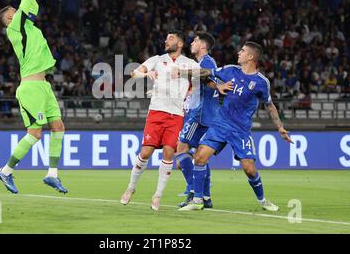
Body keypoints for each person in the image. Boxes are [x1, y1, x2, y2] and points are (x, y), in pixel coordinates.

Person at [178, 42, 292, 211]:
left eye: (243, 51)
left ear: (251, 57)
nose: (239, 52)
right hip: (220, 124)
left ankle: (263, 200)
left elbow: (269, 105)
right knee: (200, 157)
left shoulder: (261, 82)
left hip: (241, 130)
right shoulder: (231, 70)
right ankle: (198, 200)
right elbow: (206, 73)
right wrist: (183, 72)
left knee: (249, 169)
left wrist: (280, 127)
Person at [0, 0, 68, 194]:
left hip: (44, 87)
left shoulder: (30, 28)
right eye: (11, 13)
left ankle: (52, 174)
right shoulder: (14, 29)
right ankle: (6, 171)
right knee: (35, 133)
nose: (16, 13)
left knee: (58, 127)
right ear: (8, 20)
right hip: (30, 88)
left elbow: (32, 6)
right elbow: (28, 1)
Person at [120, 31, 200, 211]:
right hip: (156, 112)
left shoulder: (189, 63)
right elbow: (134, 73)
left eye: (170, 38)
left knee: (169, 153)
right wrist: (146, 74)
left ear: (180, 43)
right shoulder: (157, 59)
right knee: (146, 152)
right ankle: (131, 187)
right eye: (166, 38)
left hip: (176, 115)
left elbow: (201, 78)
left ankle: (157, 195)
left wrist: (189, 92)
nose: (166, 40)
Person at [175, 32, 233, 208]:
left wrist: (179, 71)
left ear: (202, 45)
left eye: (194, 41)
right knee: (201, 155)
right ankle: (205, 197)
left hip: (200, 114)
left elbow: (204, 78)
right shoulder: (207, 63)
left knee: (181, 150)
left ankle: (193, 190)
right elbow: (206, 81)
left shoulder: (206, 62)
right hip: (208, 113)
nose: (191, 43)